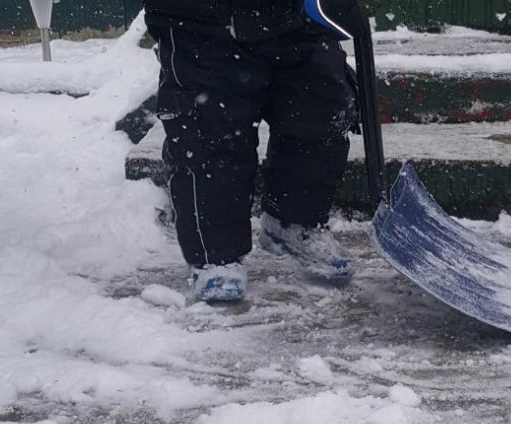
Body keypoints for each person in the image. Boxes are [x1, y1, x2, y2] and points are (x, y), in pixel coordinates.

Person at [143, 0, 360, 301]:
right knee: (210, 133)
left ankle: (293, 222)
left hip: (294, 18)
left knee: (321, 105)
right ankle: (216, 256)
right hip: (201, 21)